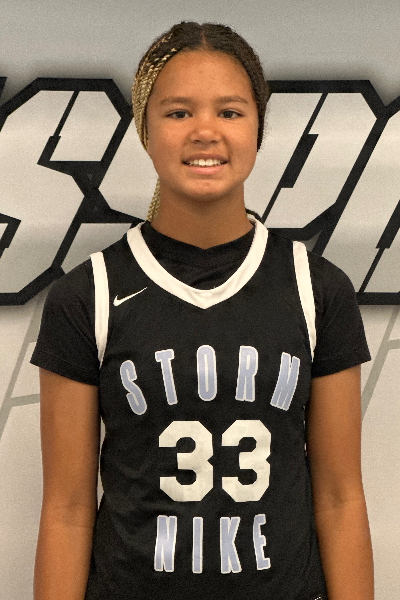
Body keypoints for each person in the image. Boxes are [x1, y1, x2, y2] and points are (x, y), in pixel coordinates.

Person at [32, 21, 374, 600]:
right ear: (146, 129)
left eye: (231, 111)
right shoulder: (86, 295)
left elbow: (340, 498)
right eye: (178, 112)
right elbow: (67, 510)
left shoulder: (317, 289)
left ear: (259, 127)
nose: (206, 131)